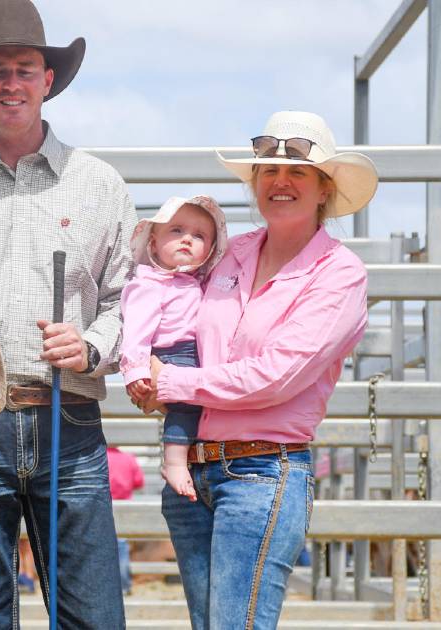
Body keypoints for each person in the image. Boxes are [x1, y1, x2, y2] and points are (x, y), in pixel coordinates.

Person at [0, 0, 136, 627]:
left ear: (48, 80)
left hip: (69, 417)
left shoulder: (97, 184)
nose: (10, 84)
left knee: (92, 614)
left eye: (24, 69)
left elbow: (129, 297)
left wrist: (91, 347)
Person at [137, 111, 377, 629]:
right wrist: (139, 364)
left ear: (323, 188)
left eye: (297, 171)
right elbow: (175, 317)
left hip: (261, 472)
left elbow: (276, 376)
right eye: (267, 171)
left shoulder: (340, 274)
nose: (279, 181)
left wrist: (171, 382)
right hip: (193, 471)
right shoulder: (231, 254)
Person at [120, 195, 228, 501]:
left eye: (199, 236)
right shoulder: (150, 283)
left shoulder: (195, 284)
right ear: (153, 244)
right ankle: (175, 462)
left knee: (199, 405)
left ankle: (187, 458)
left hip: (196, 352)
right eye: (176, 231)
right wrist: (136, 370)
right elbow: (136, 330)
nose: (187, 240)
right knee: (185, 406)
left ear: (208, 252)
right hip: (175, 353)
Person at [106, 445, 145, 594]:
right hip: (123, 504)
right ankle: (123, 585)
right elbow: (139, 482)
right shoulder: (128, 458)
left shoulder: (98, 458)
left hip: (101, 504)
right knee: (121, 545)